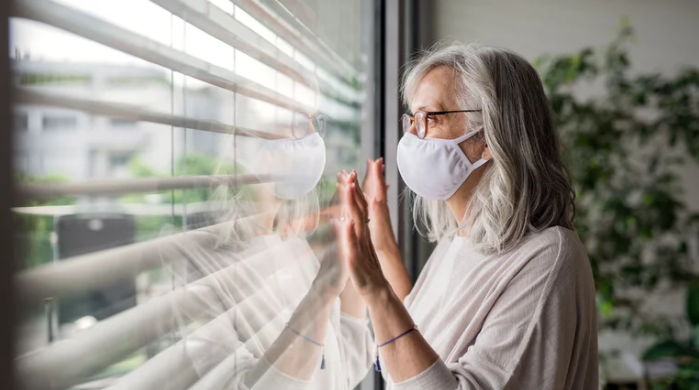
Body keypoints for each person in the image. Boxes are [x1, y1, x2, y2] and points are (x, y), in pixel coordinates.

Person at [335, 43, 599, 390]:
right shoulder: (459, 240)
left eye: (430, 118)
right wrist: (381, 246)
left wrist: (375, 288)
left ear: (491, 135)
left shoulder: (547, 258)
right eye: (412, 119)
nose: (412, 137)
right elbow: (417, 340)